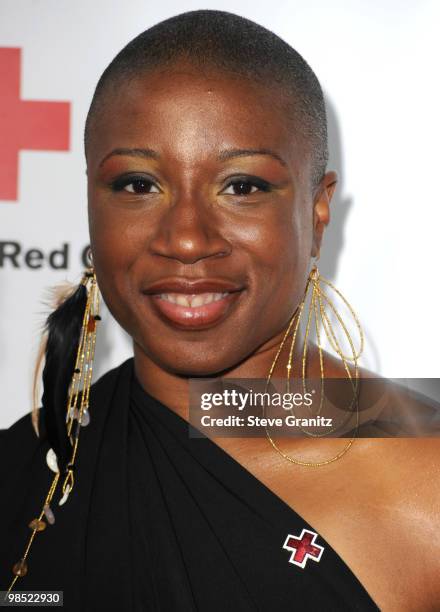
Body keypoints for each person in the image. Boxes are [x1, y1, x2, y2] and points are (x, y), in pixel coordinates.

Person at [1, 9, 439, 611]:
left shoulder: (427, 481)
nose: (185, 239)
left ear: (317, 210)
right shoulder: (17, 478)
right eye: (136, 184)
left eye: (242, 186)